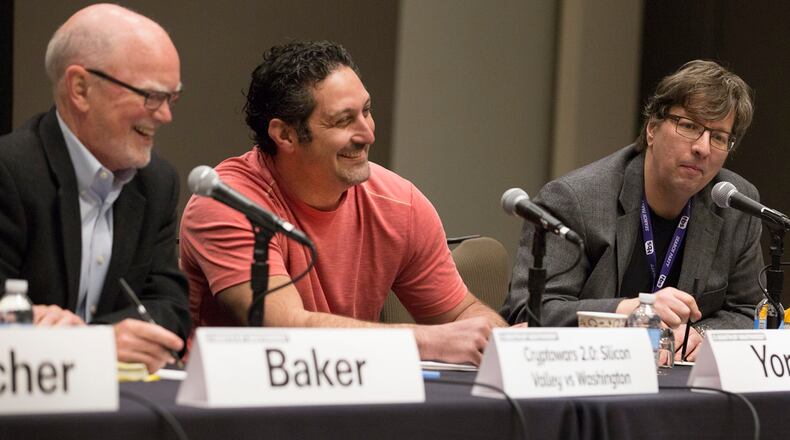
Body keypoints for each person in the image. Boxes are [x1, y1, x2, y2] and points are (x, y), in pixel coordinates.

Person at [180, 41, 507, 365]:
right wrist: (427, 341)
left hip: (347, 396)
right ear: (285, 135)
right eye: (343, 120)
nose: (367, 134)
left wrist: (497, 341)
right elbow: (285, 328)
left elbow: (462, 315)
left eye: (366, 111)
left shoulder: (398, 202)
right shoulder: (228, 203)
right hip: (230, 402)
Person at [501, 60, 763, 361]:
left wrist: (700, 334)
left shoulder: (734, 203)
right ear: (652, 129)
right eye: (689, 126)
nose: (703, 148)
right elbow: (530, 311)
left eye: (718, 137)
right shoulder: (576, 199)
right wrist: (631, 311)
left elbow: (748, 311)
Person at [0, 4, 190, 373]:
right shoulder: (10, 171)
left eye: (172, 97)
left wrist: (92, 341)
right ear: (81, 89)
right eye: (151, 95)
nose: (165, 115)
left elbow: (170, 307)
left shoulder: (156, 183)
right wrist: (94, 344)